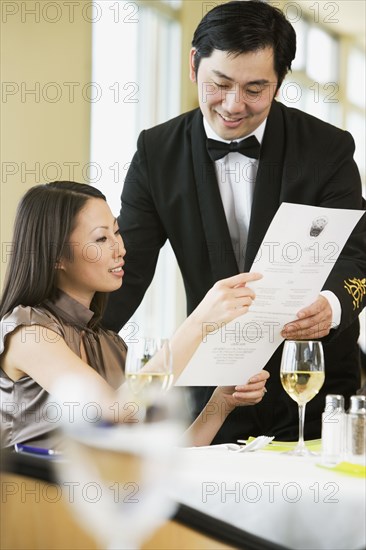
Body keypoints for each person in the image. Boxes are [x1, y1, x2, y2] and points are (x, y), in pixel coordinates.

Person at [103, 0, 366, 443]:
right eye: (219, 84)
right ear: (193, 64)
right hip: (212, 393)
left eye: (254, 89)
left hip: (312, 383)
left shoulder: (327, 148)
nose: (232, 105)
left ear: (280, 83)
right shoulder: (156, 152)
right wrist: (65, 334)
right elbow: (124, 271)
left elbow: (357, 254)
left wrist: (331, 305)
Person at [0, 181, 269, 448]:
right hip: (35, 490)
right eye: (102, 238)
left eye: (117, 233)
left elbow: (154, 457)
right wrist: (198, 324)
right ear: (57, 255)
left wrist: (221, 402)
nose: (120, 249)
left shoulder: (110, 343)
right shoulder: (27, 334)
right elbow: (115, 411)